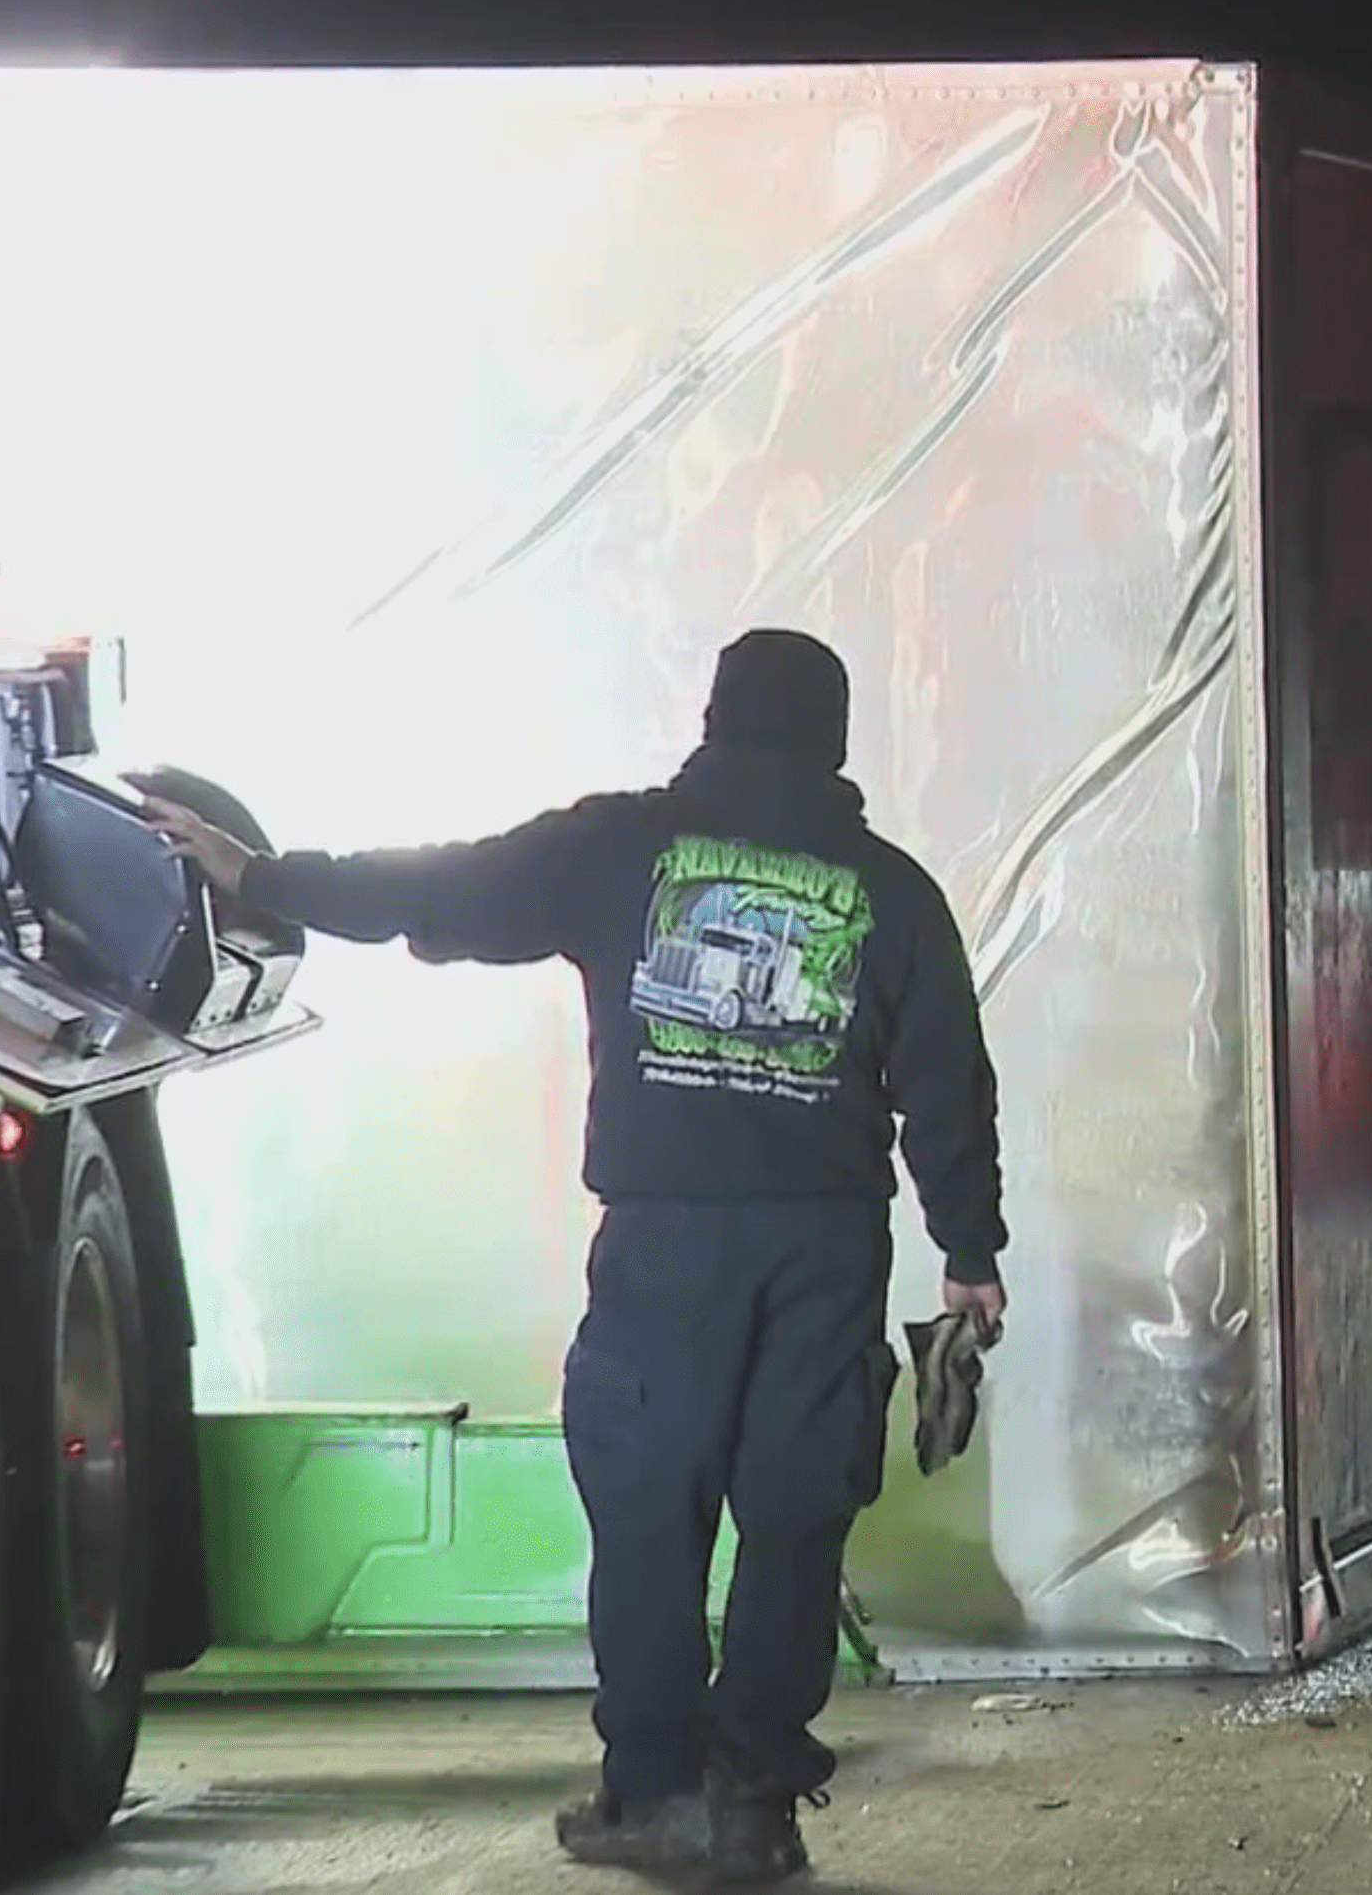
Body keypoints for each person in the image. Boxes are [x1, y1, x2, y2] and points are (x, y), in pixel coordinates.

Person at [142, 627, 1006, 1885]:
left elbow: (443, 887)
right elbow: (947, 1084)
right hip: (824, 1244)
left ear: (711, 719)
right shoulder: (891, 890)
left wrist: (261, 880)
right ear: (836, 736)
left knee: (651, 1513)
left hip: (664, 1242)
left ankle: (657, 1793)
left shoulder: (623, 848)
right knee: (796, 1511)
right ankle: (753, 1796)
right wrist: (968, 1247)